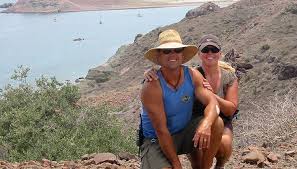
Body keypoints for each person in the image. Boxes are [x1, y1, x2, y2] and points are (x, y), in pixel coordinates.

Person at [144, 34, 239, 169]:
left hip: (193, 126)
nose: (210, 53)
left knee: (218, 128)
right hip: (159, 138)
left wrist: (206, 123)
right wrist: (176, 164)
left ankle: (215, 165)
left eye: (177, 50)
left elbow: (223, 107)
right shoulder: (153, 84)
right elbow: (161, 130)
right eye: (166, 51)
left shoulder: (195, 76)